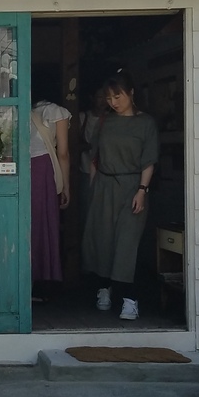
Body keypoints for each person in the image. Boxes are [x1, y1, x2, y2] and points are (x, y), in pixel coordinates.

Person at [83, 69, 159, 321]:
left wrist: (142, 190)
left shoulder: (146, 123)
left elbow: (149, 161)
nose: (113, 102)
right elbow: (94, 158)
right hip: (104, 187)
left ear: (131, 93)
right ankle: (104, 289)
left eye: (118, 96)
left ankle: (130, 299)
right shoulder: (104, 121)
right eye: (109, 98)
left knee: (127, 243)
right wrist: (93, 189)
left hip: (132, 187)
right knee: (102, 240)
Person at [30, 96, 72, 294]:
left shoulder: (23, 109)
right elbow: (63, 153)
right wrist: (66, 186)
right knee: (45, 222)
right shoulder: (56, 111)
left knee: (30, 225)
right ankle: (43, 280)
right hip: (44, 168)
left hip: (23, 168)